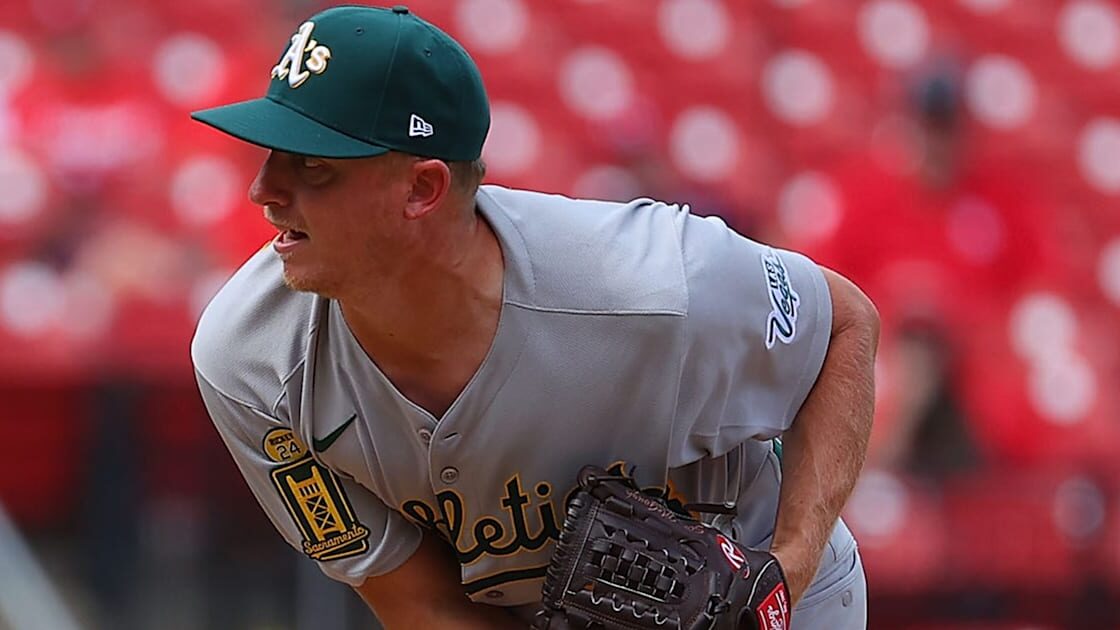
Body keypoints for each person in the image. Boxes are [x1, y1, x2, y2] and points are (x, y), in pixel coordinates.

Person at [189, 5, 879, 628]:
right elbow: (419, 603)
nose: (263, 190)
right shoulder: (251, 361)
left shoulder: (650, 281)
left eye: (313, 166)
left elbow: (845, 323)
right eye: (270, 156)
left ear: (422, 188)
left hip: (762, 595)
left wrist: (787, 571)